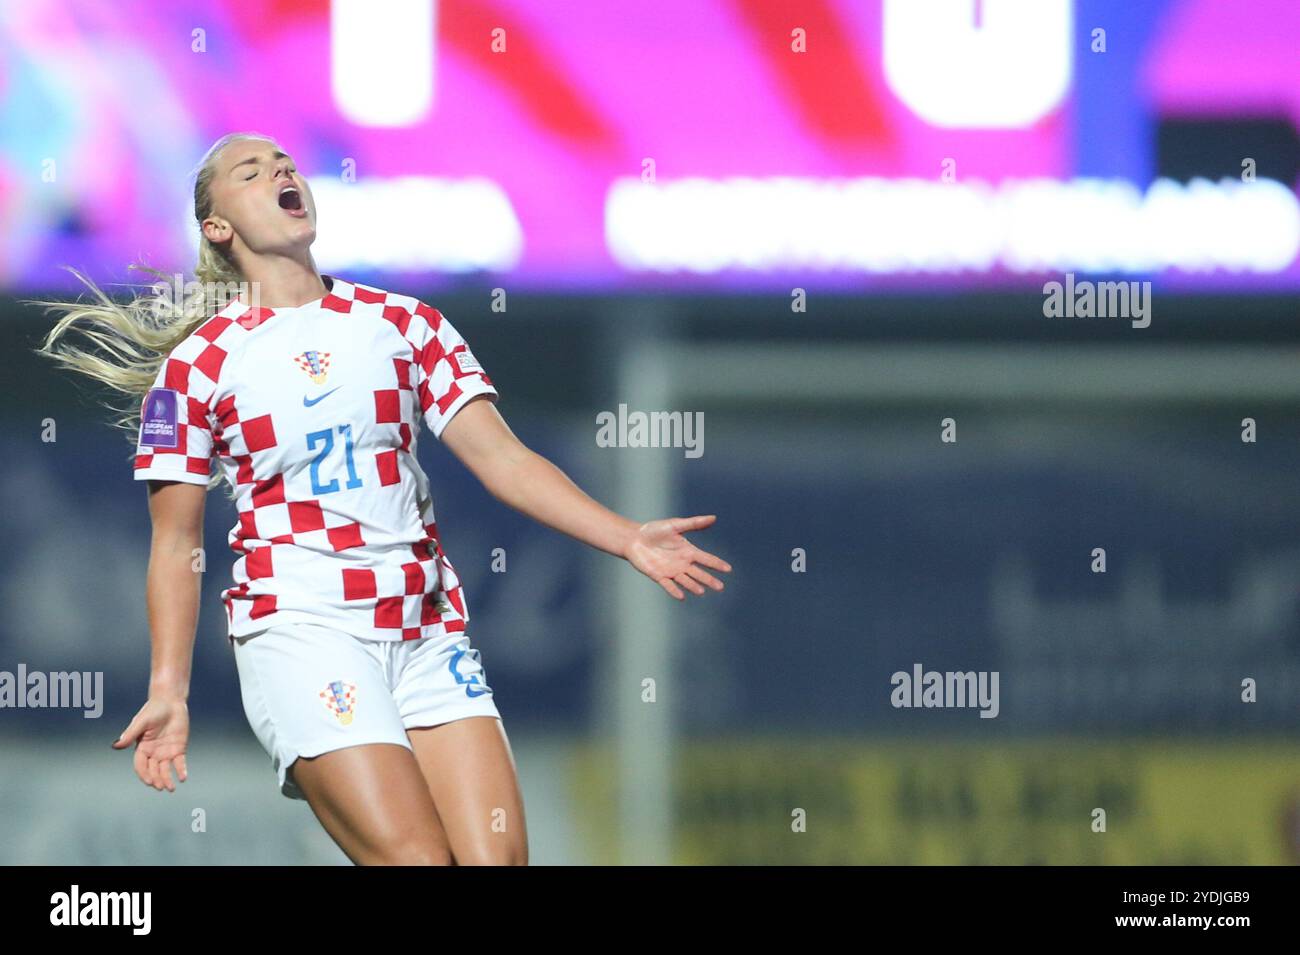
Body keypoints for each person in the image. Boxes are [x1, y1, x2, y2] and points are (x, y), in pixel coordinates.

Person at [33, 131, 731, 865]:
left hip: (427, 633)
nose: (280, 173)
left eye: (286, 165)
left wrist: (625, 536)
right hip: (304, 631)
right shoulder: (196, 367)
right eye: (252, 172)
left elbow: (502, 458)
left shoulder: (406, 324)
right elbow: (177, 542)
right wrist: (169, 688)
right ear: (218, 226)